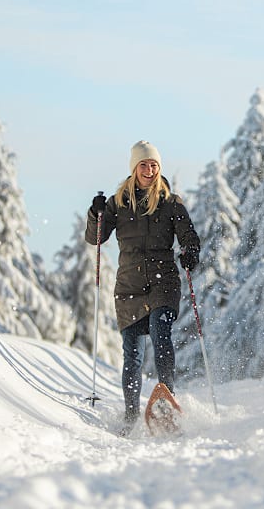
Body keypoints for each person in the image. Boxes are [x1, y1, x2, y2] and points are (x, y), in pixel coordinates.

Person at [85, 140, 200, 434]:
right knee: (133, 355)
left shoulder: (171, 203)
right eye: (144, 165)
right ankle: (131, 417)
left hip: (164, 282)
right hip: (129, 287)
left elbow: (189, 235)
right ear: (134, 168)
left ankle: (167, 402)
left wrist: (190, 251)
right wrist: (96, 214)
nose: (149, 170)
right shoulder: (118, 203)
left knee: (161, 335)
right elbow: (96, 238)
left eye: (154, 165)